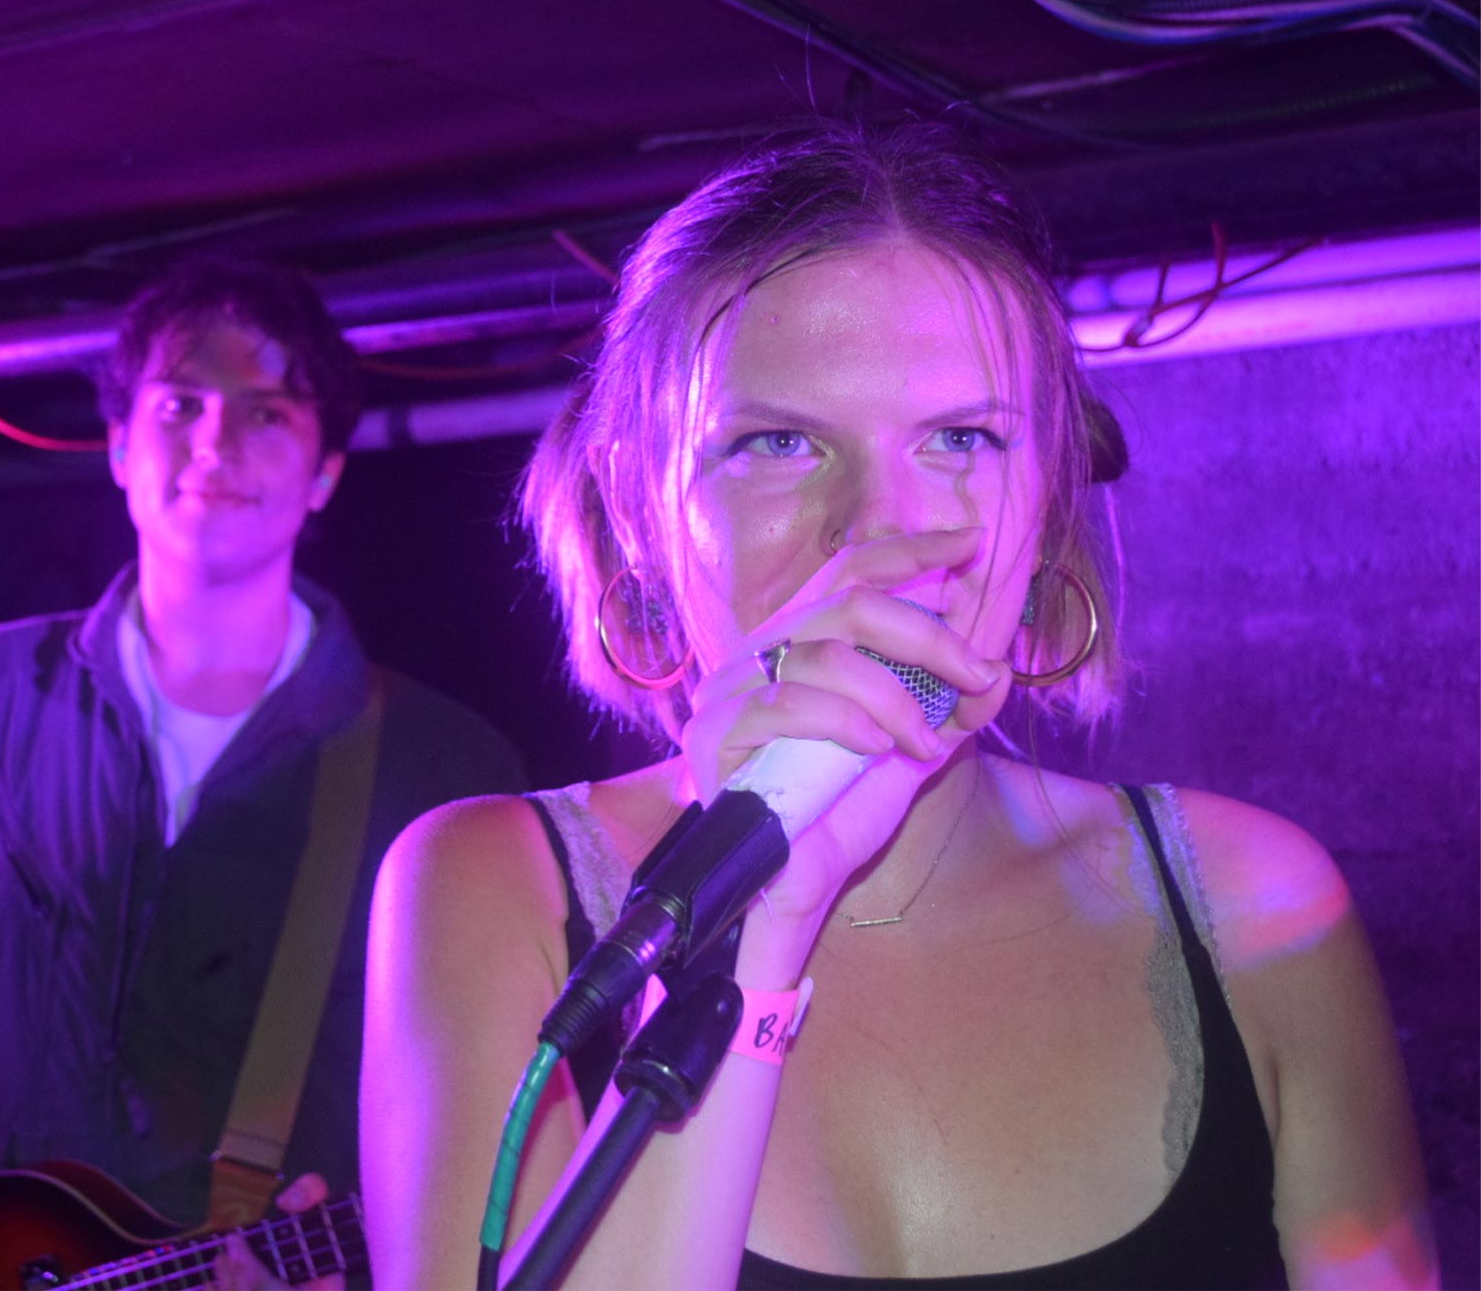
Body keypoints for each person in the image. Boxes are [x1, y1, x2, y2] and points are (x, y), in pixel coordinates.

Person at [361, 122, 1435, 1289]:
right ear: (639, 511)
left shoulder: (1251, 902)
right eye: (777, 443)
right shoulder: (487, 887)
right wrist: (751, 930)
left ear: (1044, 508)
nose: (882, 527)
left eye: (961, 438)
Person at [0, 259, 525, 1289]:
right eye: (181, 402)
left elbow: (499, 1119)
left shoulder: (447, 768)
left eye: (267, 412)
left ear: (323, 473)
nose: (216, 443)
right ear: (120, 445)